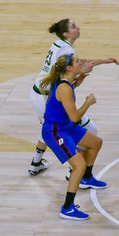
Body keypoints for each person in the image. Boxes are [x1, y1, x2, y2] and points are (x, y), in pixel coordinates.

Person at [28, 18, 118, 178]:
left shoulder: (59, 44)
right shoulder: (67, 52)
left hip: (37, 93)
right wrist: (84, 72)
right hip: (47, 97)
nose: (78, 28)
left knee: (47, 127)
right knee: (90, 130)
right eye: (74, 26)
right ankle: (76, 171)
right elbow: (69, 78)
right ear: (66, 33)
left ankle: (35, 164)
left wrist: (103, 61)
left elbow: (80, 63)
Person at [38, 54, 106, 221]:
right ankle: (67, 208)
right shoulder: (64, 88)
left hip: (64, 126)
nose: (80, 62)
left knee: (96, 142)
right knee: (78, 165)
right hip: (55, 131)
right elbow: (75, 117)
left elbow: (69, 88)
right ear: (69, 68)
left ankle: (87, 178)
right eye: (77, 62)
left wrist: (80, 78)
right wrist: (88, 103)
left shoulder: (64, 82)